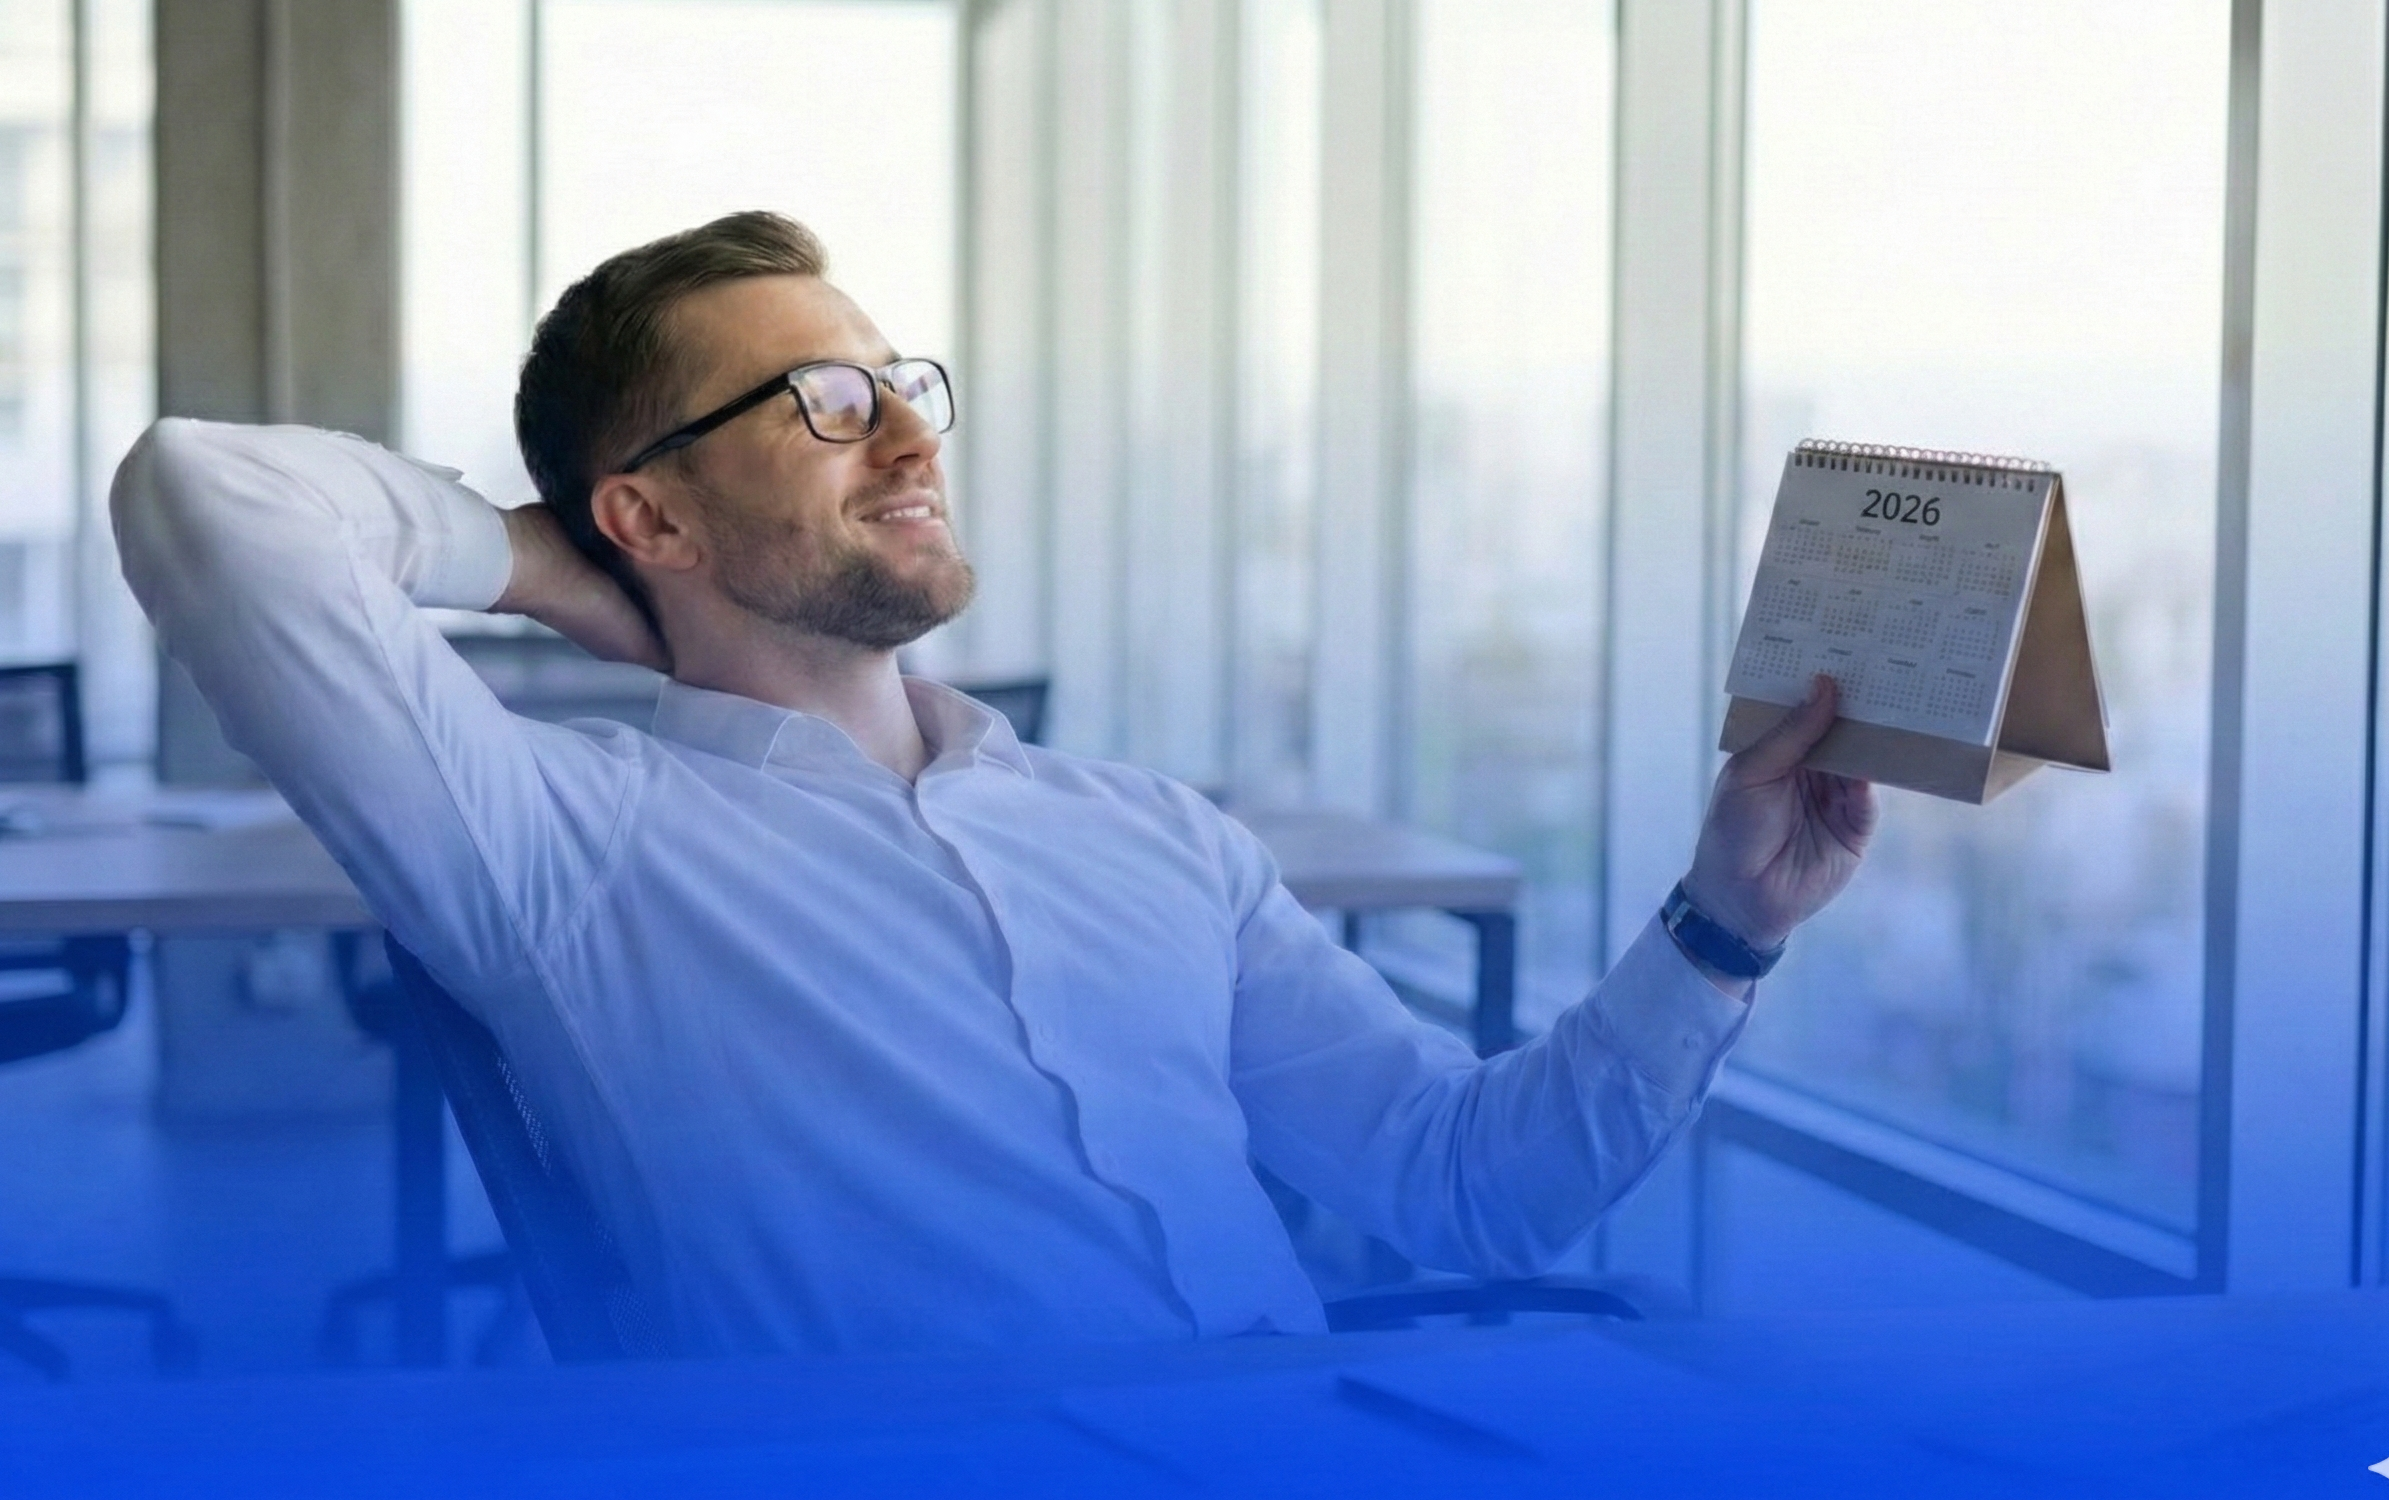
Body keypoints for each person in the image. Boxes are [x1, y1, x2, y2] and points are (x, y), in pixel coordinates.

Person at [112, 210, 1875, 1356]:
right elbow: (210, 497)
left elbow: (1467, 1183)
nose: (909, 433)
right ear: (650, 510)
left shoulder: (1153, 836)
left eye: (900, 383)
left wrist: (1723, 928)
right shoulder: (563, 847)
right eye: (822, 400)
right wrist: (560, 566)